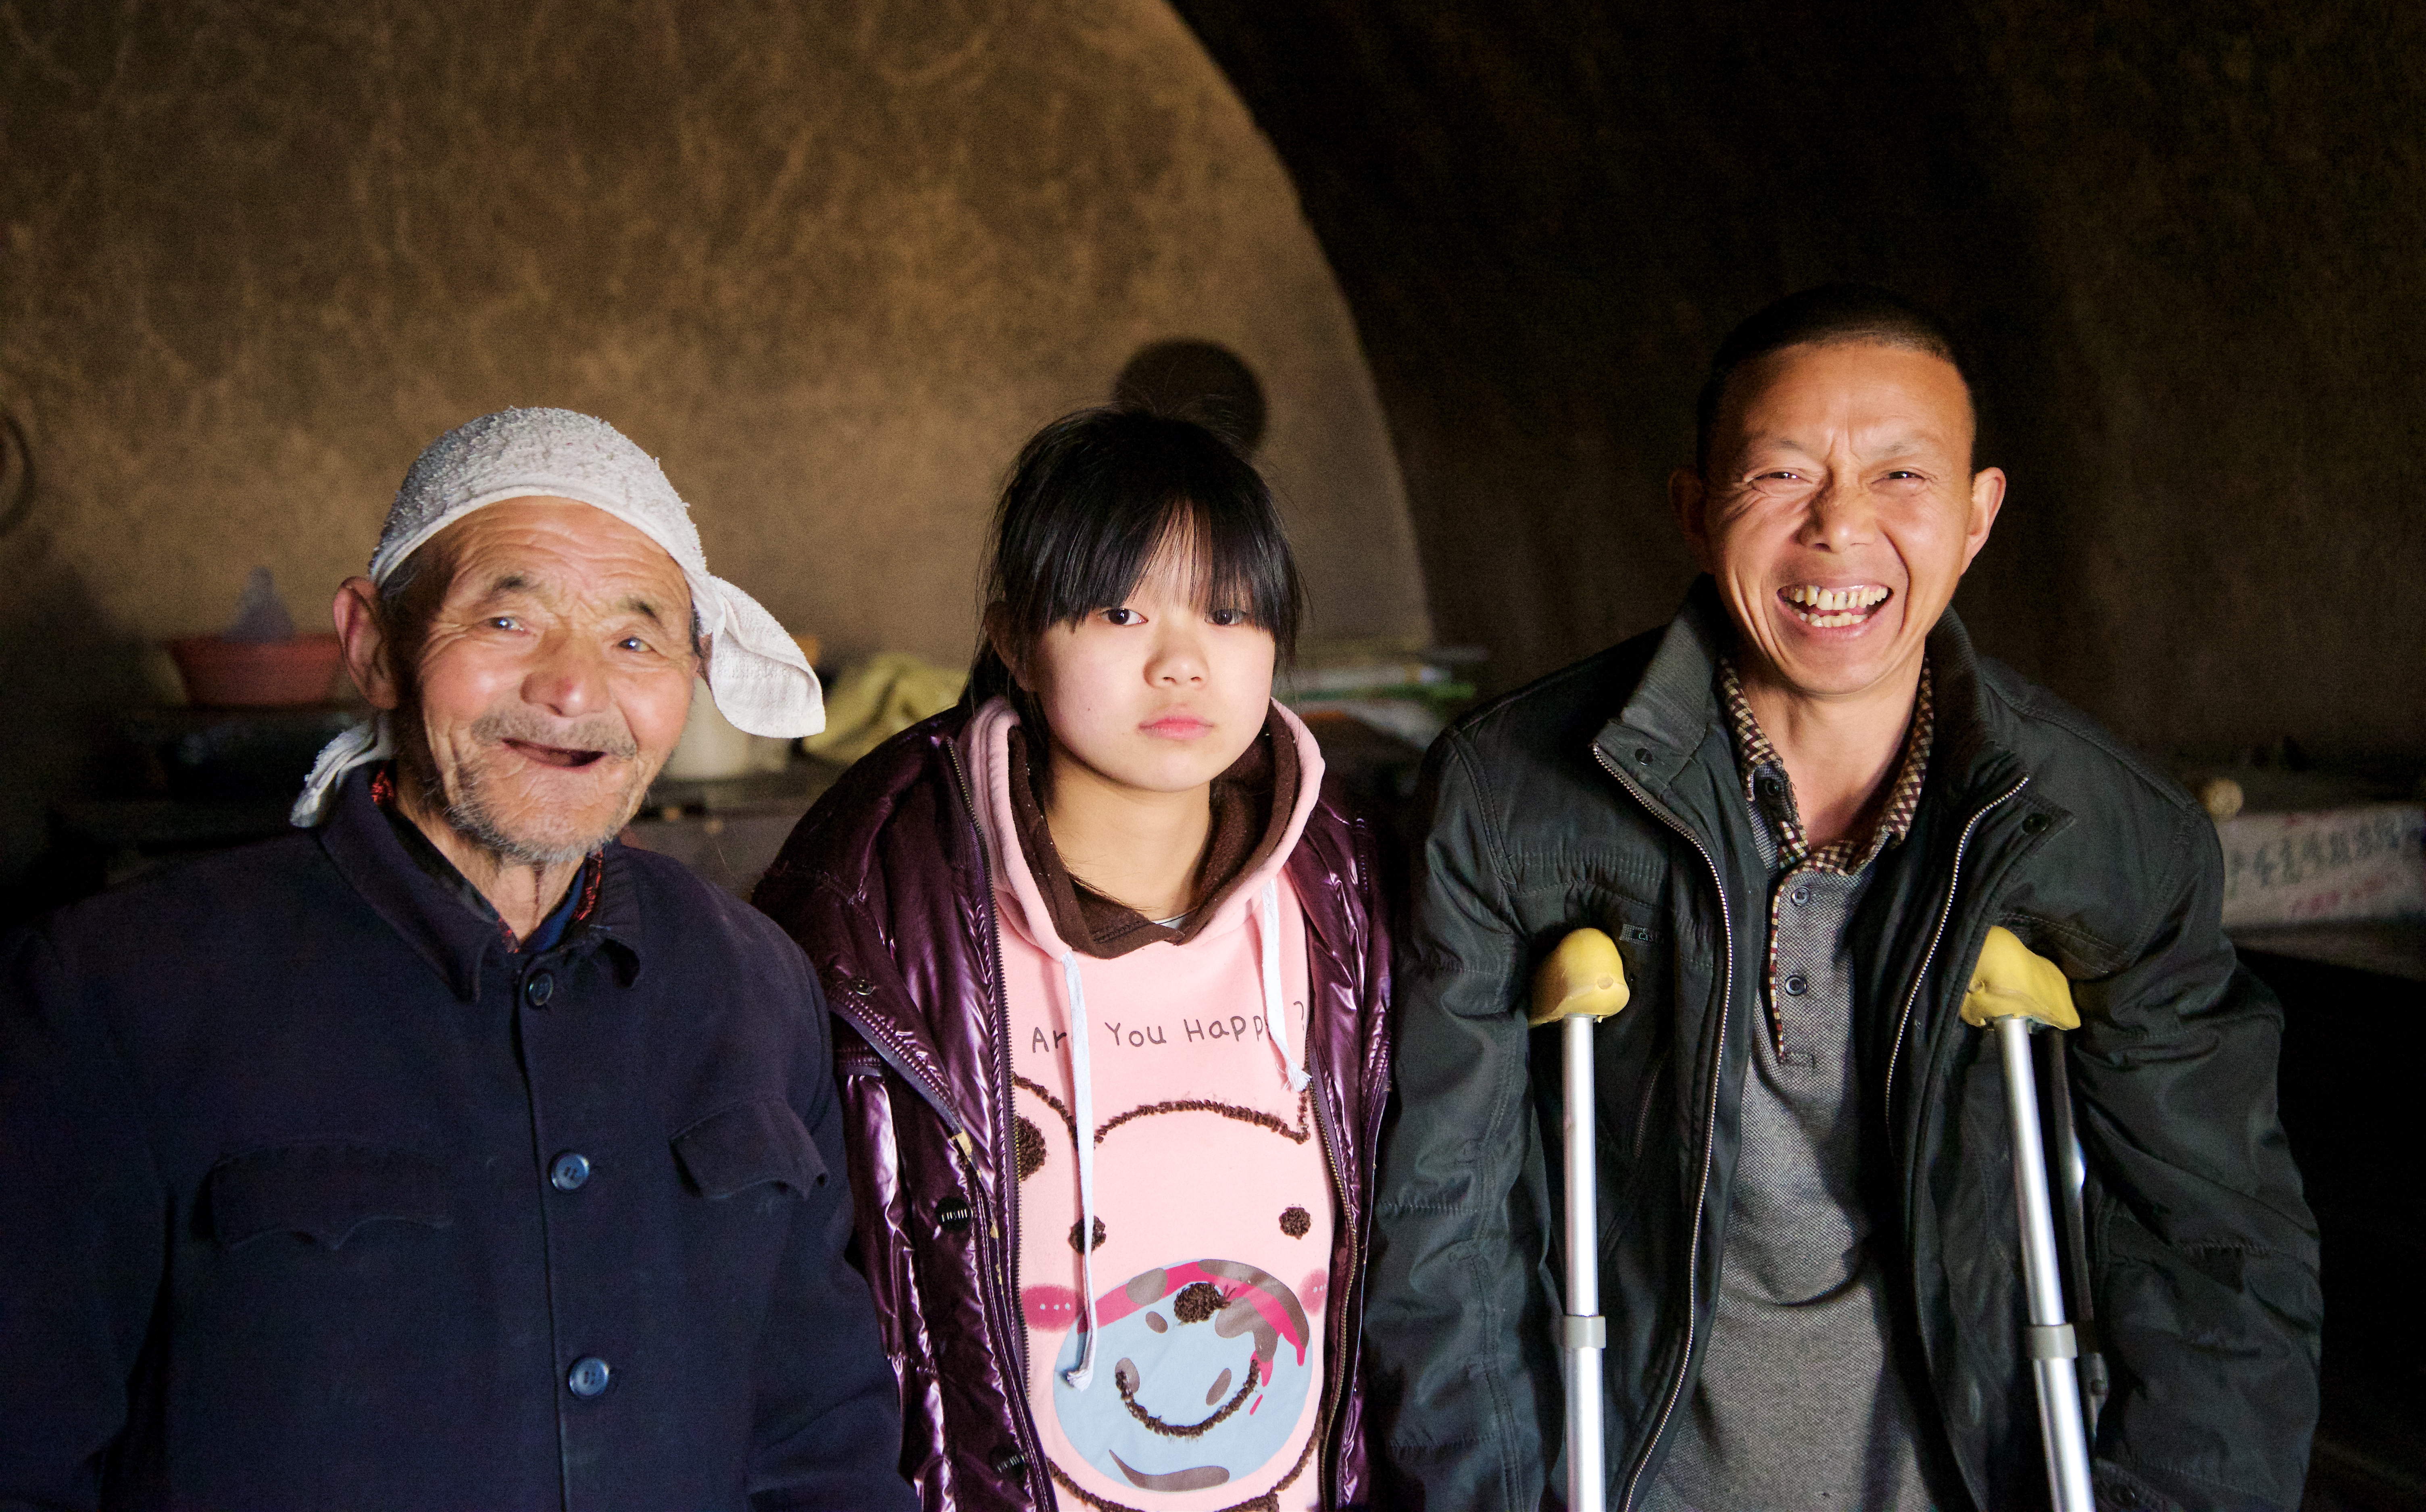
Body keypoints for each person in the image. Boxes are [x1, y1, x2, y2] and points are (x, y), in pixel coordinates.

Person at [1365, 287, 2321, 1512]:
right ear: (1694, 508)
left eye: (1901, 479)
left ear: (1979, 517)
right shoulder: (1512, 798)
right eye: (1780, 478)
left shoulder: (2109, 836)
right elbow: (1446, 1222)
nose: (1839, 531)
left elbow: (2216, 1248)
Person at [0, 408, 913, 1510]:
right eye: (511, 621)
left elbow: (822, 1439)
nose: (576, 690)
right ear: (377, 645)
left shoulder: (754, 987)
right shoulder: (121, 990)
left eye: (635, 640)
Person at [752, 408, 1393, 1512]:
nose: (1183, 662)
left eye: (1230, 613)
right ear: (1013, 633)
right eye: (1121, 611)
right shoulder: (874, 910)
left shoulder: (1344, 894)